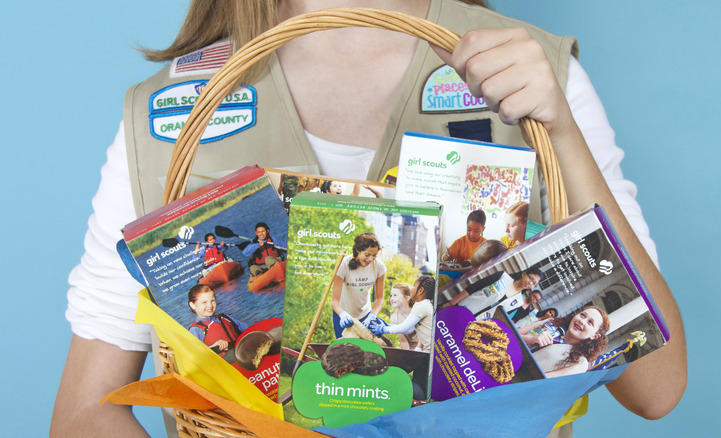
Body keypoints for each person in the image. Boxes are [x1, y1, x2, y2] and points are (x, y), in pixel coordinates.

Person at [52, 1, 687, 436]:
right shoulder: (171, 115)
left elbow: (655, 390)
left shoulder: (533, 76)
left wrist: (563, 133)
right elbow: (84, 411)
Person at [520, 306, 609, 378]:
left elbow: (542, 381)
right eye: (582, 315)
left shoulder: (580, 362)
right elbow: (510, 335)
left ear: (594, 336)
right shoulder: (550, 323)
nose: (582, 321)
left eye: (590, 322)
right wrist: (530, 339)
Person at [330, 233, 386, 338]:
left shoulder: (379, 267)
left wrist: (372, 315)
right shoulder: (344, 264)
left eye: (374, 255)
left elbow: (380, 299)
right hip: (343, 315)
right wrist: (342, 314)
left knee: (366, 351)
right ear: (358, 251)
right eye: (367, 255)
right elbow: (334, 302)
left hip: (365, 315)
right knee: (345, 350)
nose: (370, 259)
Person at [370, 275, 435, 353]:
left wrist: (383, 329)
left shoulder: (421, 305)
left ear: (421, 290)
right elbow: (409, 329)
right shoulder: (423, 304)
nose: (411, 289)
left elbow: (405, 327)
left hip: (431, 349)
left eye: (414, 286)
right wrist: (389, 326)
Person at [186, 284, 249, 362]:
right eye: (204, 302)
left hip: (242, 354)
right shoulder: (195, 330)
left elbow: (249, 329)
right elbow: (194, 356)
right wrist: (211, 347)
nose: (210, 305)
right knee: (235, 353)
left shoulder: (225, 318)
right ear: (192, 305)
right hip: (224, 364)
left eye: (212, 301)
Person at [440, 266, 543, 313]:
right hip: (460, 307)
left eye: (534, 283)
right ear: (524, 273)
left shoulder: (518, 302)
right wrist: (452, 303)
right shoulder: (503, 277)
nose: (530, 282)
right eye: (530, 278)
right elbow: (474, 287)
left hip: (471, 321)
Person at [387, 283, 419, 350]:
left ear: (407, 297)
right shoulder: (395, 318)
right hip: (413, 351)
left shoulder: (418, 311)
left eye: (395, 295)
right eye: (391, 296)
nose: (392, 298)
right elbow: (404, 342)